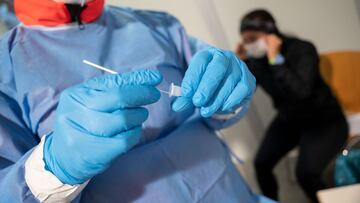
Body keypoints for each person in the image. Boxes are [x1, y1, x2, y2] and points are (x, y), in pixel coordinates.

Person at [0, 0, 276, 202]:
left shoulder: (159, 24)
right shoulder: (7, 68)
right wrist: (55, 166)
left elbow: (221, 103)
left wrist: (229, 92)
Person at [236, 9, 349, 203]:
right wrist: (240, 65)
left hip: (323, 120)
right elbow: (245, 92)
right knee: (261, 164)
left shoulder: (303, 49)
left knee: (306, 173)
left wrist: (276, 59)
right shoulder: (256, 61)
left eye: (252, 39)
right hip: (290, 120)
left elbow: (301, 91)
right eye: (245, 41)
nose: (249, 45)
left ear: (271, 33)